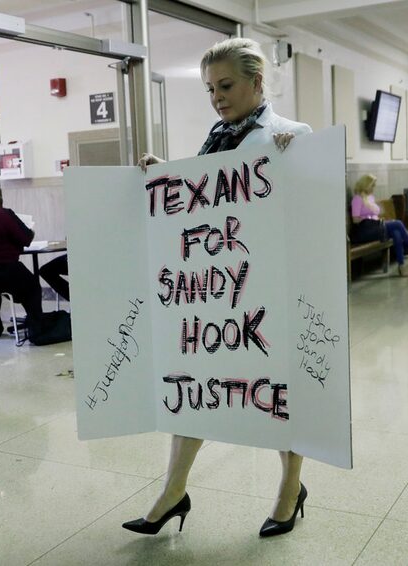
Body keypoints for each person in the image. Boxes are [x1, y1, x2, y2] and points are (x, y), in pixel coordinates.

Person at [128, 38, 311, 538]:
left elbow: (308, 213)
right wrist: (162, 176)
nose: (217, 97)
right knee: (197, 384)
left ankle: (289, 490)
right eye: (210, 88)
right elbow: (205, 209)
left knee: (278, 393)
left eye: (226, 86)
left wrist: (299, 164)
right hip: (216, 292)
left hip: (268, 292)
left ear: (256, 82)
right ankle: (172, 491)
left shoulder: (292, 135)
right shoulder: (216, 139)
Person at [0, 180, 43, 338]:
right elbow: (25, 238)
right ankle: (36, 329)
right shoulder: (1, 214)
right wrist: (30, 232)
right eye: (0, 196)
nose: (1, 200)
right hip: (6, 271)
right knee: (32, 288)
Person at [350, 174, 408, 276]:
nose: (374, 188)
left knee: (397, 233)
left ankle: (402, 265)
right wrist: (368, 217)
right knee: (398, 223)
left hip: (374, 227)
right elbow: (355, 220)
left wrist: (377, 219)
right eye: (372, 185)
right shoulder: (357, 199)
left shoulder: (370, 198)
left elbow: (375, 214)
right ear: (366, 185)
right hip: (364, 230)